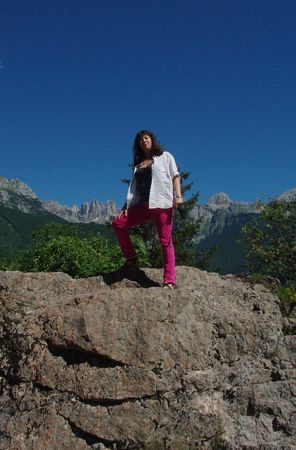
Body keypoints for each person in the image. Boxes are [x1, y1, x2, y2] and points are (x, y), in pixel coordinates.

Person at [112, 130, 183, 289]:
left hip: (161, 203)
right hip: (143, 206)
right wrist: (126, 207)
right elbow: (134, 190)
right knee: (118, 223)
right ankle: (131, 258)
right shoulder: (139, 165)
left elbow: (175, 176)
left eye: (146, 138)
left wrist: (178, 196)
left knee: (165, 241)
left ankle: (169, 280)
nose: (143, 141)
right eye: (140, 140)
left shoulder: (165, 157)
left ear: (151, 139)